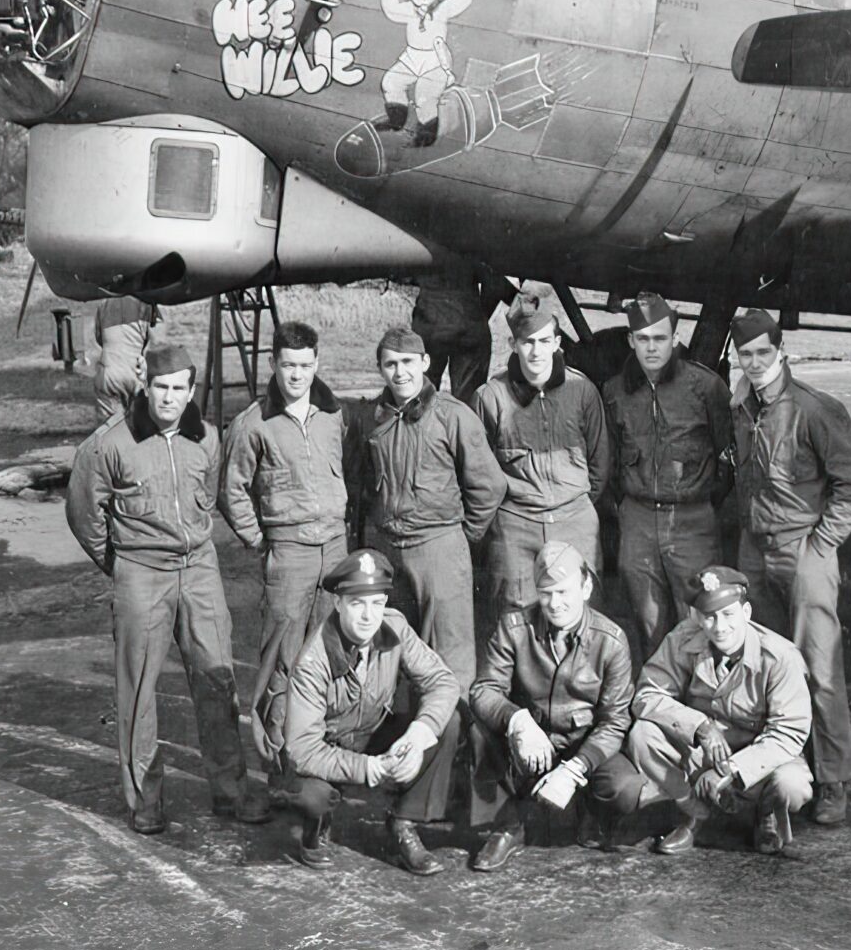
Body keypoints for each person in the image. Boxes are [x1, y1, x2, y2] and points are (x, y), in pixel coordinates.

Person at [65, 344, 271, 835]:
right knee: (138, 690)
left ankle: (230, 790)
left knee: (217, 680)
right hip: (141, 571)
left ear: (191, 390)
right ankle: (145, 800)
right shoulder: (110, 444)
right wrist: (119, 564)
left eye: (180, 389)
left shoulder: (207, 439)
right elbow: (83, 513)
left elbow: (210, 495)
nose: (170, 398)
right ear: (145, 387)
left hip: (199, 568)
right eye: (161, 387)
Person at [729, 308, 851, 827]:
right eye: (745, 355)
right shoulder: (742, 406)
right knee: (767, 667)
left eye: (763, 353)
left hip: (804, 549)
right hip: (756, 550)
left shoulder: (814, 409)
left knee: (819, 667)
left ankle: (833, 780)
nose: (755, 363)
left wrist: (823, 542)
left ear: (780, 352)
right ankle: (783, 767)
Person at [219, 321, 354, 783]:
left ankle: (325, 757)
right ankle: (278, 770)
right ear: (273, 364)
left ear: (317, 364)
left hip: (334, 547)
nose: (296, 375)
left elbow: (350, 470)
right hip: (289, 550)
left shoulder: (335, 414)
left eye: (305, 365)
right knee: (283, 661)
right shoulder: (253, 423)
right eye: (287, 365)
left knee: (335, 651)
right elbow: (233, 490)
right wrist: (259, 539)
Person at [283, 549, 462, 876]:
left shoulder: (392, 627)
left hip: (373, 732)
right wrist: (369, 768)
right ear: (338, 604)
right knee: (313, 797)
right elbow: (302, 749)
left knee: (446, 721)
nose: (369, 616)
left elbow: (443, 681)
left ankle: (403, 822)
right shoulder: (314, 660)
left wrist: (417, 736)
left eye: (377, 603)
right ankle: (314, 830)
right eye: (357, 603)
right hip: (327, 748)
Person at [466, 542, 643, 870]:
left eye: (564, 592)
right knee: (478, 731)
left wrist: (575, 769)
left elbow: (615, 721)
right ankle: (507, 825)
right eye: (545, 593)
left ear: (586, 587)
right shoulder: (515, 627)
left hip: (581, 745)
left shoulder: (611, 640)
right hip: (531, 744)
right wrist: (518, 721)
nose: (554, 603)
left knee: (626, 789)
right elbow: (484, 690)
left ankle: (591, 811)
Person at [355, 326, 507, 688]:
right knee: (391, 649)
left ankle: (455, 735)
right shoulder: (373, 419)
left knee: (449, 653)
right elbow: (361, 484)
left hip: (439, 548)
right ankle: (405, 735)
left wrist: (462, 535)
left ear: (425, 362)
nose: (400, 372)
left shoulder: (452, 416)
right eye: (390, 364)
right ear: (380, 369)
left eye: (408, 362)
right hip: (391, 550)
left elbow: (490, 485)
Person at [627, 565, 813, 856]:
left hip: (758, 758)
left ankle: (766, 814)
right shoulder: (683, 640)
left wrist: (731, 771)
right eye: (710, 617)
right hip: (704, 751)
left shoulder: (779, 656)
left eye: (729, 614)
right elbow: (647, 695)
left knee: (793, 784)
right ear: (698, 618)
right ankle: (694, 812)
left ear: (747, 612)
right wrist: (700, 726)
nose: (720, 626)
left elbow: (789, 733)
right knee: (642, 735)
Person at [601, 292, 734, 656]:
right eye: (642, 339)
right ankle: (660, 704)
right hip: (638, 521)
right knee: (649, 625)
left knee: (702, 618)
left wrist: (703, 501)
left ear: (675, 339)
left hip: (692, 519)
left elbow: (729, 456)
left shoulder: (705, 388)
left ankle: (704, 704)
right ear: (630, 341)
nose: (652, 348)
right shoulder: (615, 392)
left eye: (660, 338)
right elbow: (608, 461)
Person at [472, 298, 610, 616]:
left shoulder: (582, 391)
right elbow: (478, 471)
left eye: (545, 341)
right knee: (515, 615)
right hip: (516, 523)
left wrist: (576, 502)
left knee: (582, 611)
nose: (536, 351)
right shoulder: (490, 397)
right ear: (513, 344)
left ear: (557, 343)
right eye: (528, 342)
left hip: (574, 518)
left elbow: (600, 460)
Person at [373, 0, 472, 148]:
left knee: (425, 98)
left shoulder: (442, 9)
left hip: (435, 61)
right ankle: (396, 120)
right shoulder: (411, 9)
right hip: (412, 57)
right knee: (391, 82)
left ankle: (427, 135)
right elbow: (392, 11)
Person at [411, 261, 511, 403]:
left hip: (431, 324)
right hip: (467, 325)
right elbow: (493, 280)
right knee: (467, 404)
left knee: (420, 398)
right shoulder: (473, 243)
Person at [91, 295, 154, 422]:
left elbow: (99, 337)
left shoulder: (104, 303)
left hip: (109, 371)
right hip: (135, 371)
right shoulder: (145, 303)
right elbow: (148, 337)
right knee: (137, 426)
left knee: (109, 428)